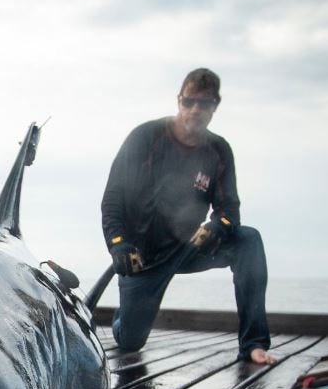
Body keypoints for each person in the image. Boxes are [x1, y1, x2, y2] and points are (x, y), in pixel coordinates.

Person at [100, 68, 276, 364]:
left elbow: (229, 209)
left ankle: (253, 344)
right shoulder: (146, 137)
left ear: (215, 107)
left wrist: (217, 227)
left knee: (248, 241)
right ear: (178, 101)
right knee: (130, 342)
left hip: (189, 247)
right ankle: (124, 314)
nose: (195, 109)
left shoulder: (218, 150)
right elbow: (112, 200)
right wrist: (118, 243)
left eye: (204, 104)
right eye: (189, 101)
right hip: (143, 259)